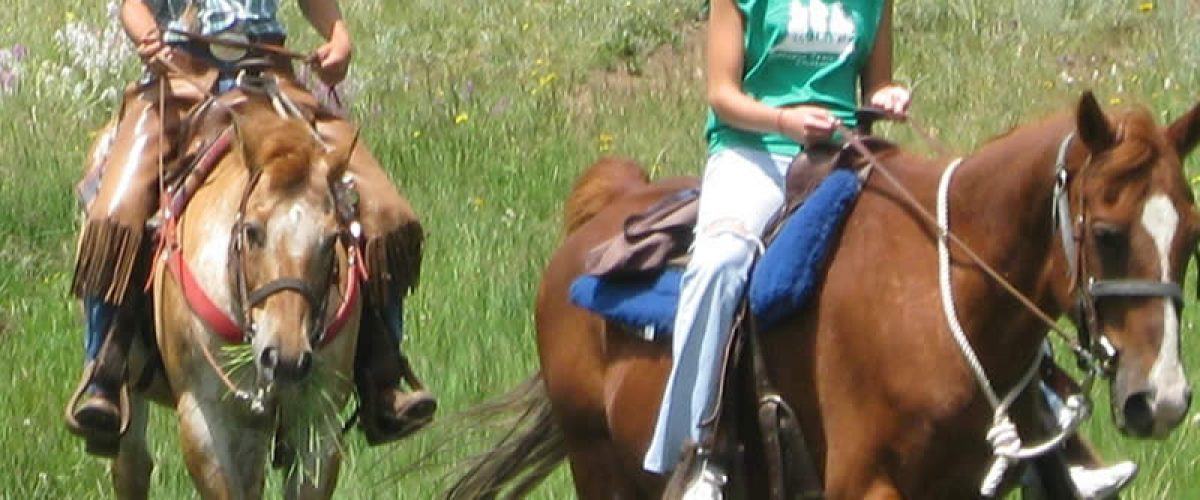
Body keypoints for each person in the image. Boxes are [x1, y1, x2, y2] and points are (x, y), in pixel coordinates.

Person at [642, 0, 1137, 497]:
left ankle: (1053, 446)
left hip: (844, 155)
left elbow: (874, 84)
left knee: (977, 259)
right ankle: (701, 453)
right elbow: (722, 95)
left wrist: (887, 96)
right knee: (719, 265)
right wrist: (784, 121)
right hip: (753, 155)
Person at [67, 0, 434, 451]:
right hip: (179, 80)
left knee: (387, 211)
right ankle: (104, 368)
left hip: (270, 80)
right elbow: (133, 6)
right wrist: (147, 37)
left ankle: (383, 372)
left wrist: (338, 36)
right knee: (115, 211)